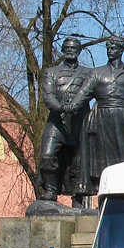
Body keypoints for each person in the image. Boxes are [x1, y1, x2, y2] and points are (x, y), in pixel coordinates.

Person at [71, 37, 124, 190]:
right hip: (102, 119)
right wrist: (68, 107)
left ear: (121, 50)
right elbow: (82, 95)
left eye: (113, 48)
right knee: (102, 161)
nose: (110, 51)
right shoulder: (96, 73)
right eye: (108, 48)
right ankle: (102, 190)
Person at [37, 37, 92, 201]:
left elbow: (103, 86)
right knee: (47, 155)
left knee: (78, 161)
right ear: (62, 50)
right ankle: (51, 190)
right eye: (67, 47)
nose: (70, 50)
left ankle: (78, 197)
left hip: (80, 121)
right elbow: (48, 96)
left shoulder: (88, 73)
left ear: (79, 50)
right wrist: (62, 108)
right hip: (57, 121)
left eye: (74, 47)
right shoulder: (51, 72)